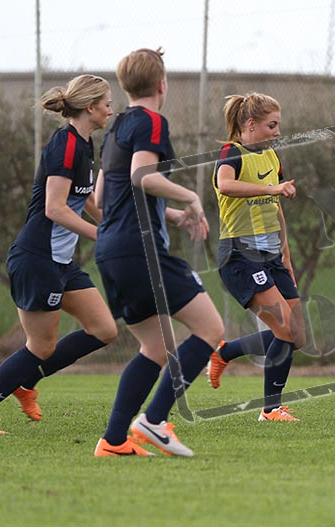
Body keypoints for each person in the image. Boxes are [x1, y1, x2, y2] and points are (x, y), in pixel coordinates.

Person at [0, 74, 117, 434]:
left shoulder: (85, 144)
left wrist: (111, 228)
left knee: (103, 329)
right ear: (90, 107)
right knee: (40, 346)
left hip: (61, 263)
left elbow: (86, 200)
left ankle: (26, 383)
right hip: (37, 258)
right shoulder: (66, 145)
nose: (111, 108)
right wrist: (100, 237)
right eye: (107, 102)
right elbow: (55, 208)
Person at [93, 48, 224, 456]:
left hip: (111, 250)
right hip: (139, 251)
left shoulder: (115, 128)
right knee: (211, 330)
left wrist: (171, 215)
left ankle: (113, 442)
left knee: (153, 347)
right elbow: (141, 176)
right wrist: (192, 198)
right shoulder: (151, 121)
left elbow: (102, 198)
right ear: (161, 84)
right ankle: (152, 421)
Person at [208, 92, 306, 422]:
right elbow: (225, 186)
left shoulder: (270, 157)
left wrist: (287, 257)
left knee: (298, 335)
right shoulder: (231, 153)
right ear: (251, 124)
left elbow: (277, 211)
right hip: (240, 256)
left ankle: (226, 352)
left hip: (271, 256)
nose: (277, 132)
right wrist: (272, 190)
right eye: (272, 125)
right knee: (285, 331)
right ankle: (270, 409)